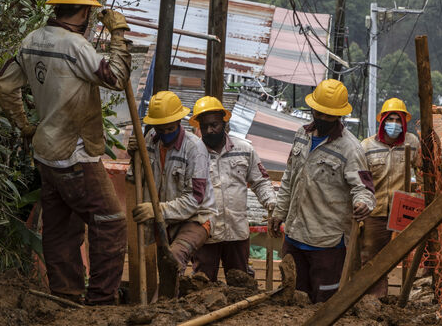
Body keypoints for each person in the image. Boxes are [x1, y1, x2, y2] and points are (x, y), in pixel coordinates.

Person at [0, 0, 132, 305]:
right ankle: (100, 301)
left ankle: (66, 295)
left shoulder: (31, 39)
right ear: (84, 14)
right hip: (74, 155)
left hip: (45, 153)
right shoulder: (76, 47)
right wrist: (118, 32)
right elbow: (117, 77)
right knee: (111, 222)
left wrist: (26, 125)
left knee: (62, 228)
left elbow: (4, 86)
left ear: (58, 6)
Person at [268, 79, 375, 303]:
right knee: (293, 297)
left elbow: (363, 187)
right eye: (320, 113)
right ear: (313, 109)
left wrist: (363, 202)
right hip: (295, 234)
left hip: (327, 242)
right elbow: (289, 177)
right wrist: (279, 212)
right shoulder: (301, 135)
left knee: (324, 302)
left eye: (329, 116)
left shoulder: (350, 148)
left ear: (339, 116)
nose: (323, 119)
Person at [188, 96, 276, 282]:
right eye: (205, 127)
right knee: (202, 283)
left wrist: (271, 203)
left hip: (236, 231)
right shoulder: (193, 154)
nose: (210, 130)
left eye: (214, 125)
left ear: (224, 122)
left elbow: (260, 181)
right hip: (205, 232)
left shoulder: (244, 150)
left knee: (241, 282)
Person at [127, 91, 216, 274]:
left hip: (196, 218)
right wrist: (133, 156)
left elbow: (195, 200)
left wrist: (157, 209)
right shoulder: (151, 140)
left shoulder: (194, 149)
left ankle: (168, 302)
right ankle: (170, 298)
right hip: (165, 219)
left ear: (179, 122)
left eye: (170, 129)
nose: (166, 133)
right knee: (161, 262)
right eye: (161, 129)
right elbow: (134, 178)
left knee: (174, 256)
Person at [360, 97, 421, 297]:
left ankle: (396, 294)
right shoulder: (367, 147)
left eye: (398, 119)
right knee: (371, 255)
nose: (394, 124)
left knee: (397, 255)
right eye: (390, 119)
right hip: (374, 211)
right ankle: (374, 297)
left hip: (401, 211)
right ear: (383, 120)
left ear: (404, 122)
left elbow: (421, 172)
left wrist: (418, 197)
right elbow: (359, 180)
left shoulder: (411, 143)